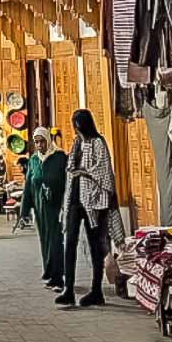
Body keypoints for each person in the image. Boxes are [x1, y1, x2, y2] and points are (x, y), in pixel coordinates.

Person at [58, 109, 118, 309]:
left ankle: (96, 290)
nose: (76, 129)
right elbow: (70, 169)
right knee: (70, 243)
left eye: (78, 124)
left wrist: (83, 172)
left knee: (95, 246)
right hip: (75, 199)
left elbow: (104, 172)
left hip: (94, 201)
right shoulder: (77, 144)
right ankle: (68, 288)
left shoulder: (98, 143)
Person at [22, 127, 67, 290]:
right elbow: (28, 185)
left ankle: (58, 277)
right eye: (37, 142)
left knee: (56, 241)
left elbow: (67, 182)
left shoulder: (60, 157)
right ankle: (50, 272)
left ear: (48, 140)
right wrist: (24, 211)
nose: (40, 145)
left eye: (42, 141)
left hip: (56, 206)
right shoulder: (34, 160)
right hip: (40, 209)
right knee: (45, 241)